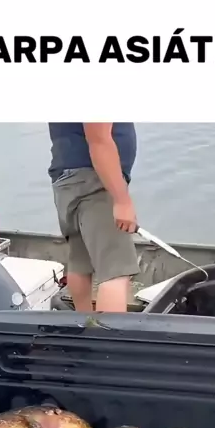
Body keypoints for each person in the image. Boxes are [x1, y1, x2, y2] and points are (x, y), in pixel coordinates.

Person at [48, 123, 139, 313]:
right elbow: (98, 140)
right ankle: (110, 333)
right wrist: (121, 200)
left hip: (67, 178)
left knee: (80, 263)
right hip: (95, 180)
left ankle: (84, 325)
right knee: (116, 272)